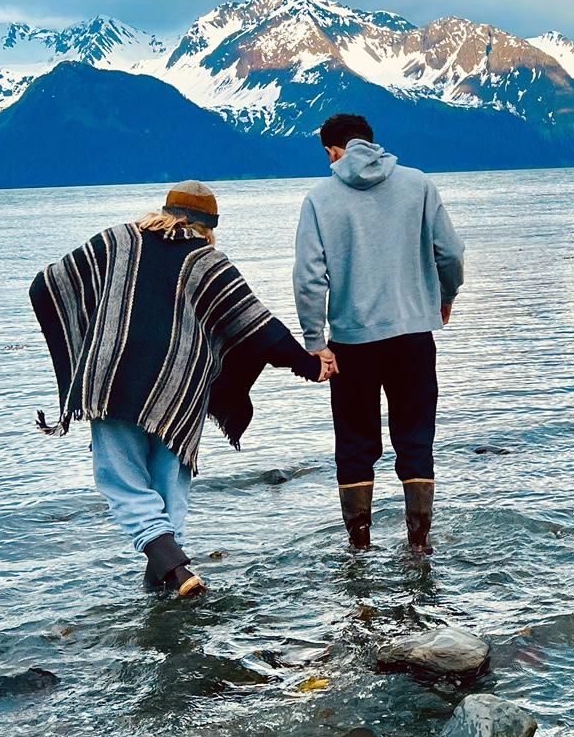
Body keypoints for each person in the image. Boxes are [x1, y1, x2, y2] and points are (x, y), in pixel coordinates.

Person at [29, 180, 331, 597]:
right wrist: (310, 364)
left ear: (167, 210)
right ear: (209, 225)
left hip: (110, 378)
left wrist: (92, 337)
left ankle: (172, 574)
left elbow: (48, 285)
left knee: (123, 481)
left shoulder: (116, 240)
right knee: (169, 485)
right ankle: (169, 580)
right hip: (178, 390)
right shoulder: (206, 260)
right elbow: (257, 326)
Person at [293, 114, 465, 553]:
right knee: (415, 436)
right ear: (370, 143)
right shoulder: (418, 184)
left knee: (354, 442)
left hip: (352, 343)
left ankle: (360, 548)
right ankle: (419, 544)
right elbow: (450, 252)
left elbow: (310, 279)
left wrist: (315, 343)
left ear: (333, 152)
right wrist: (444, 297)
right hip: (412, 335)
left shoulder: (320, 198)